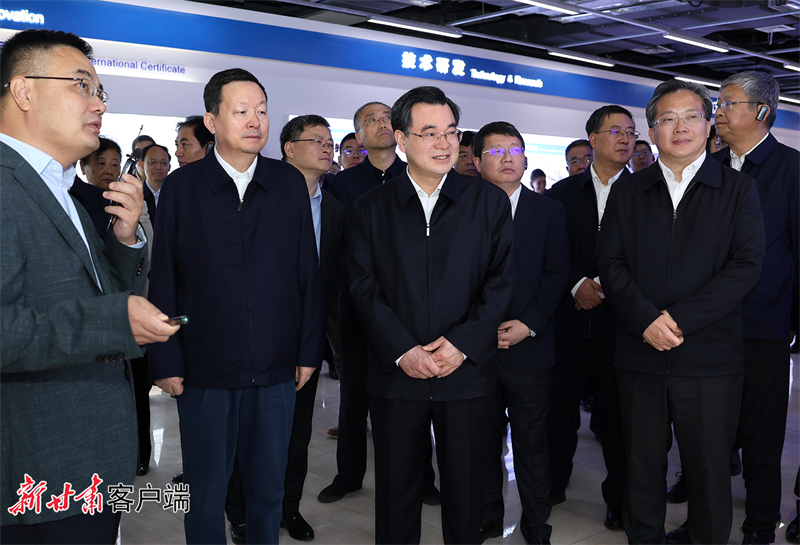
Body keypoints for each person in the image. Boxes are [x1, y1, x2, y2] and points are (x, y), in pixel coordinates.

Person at [0, 28, 178, 542]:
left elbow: (91, 295)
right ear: (23, 91)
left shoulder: (56, 186)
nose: (99, 103)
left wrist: (123, 240)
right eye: (82, 85)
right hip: (39, 467)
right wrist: (113, 321)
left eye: (100, 91)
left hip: (89, 457)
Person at [148, 68, 323, 545]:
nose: (255, 121)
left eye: (262, 111)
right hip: (204, 368)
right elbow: (164, 277)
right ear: (211, 121)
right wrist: (165, 358)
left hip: (276, 367)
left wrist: (308, 350)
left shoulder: (287, 183)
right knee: (205, 493)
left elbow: (307, 273)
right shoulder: (183, 187)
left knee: (267, 491)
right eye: (241, 111)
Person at [597, 79, 765, 545]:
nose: (681, 127)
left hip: (709, 357)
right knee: (641, 466)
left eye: (692, 117)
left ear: (709, 126)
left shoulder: (737, 189)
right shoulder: (629, 191)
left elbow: (745, 266)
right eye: (668, 119)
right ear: (652, 131)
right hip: (640, 353)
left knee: (708, 469)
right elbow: (610, 262)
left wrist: (679, 320)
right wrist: (645, 320)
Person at [347, 85, 514, 544]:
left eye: (451, 132)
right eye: (430, 133)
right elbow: (362, 287)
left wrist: (461, 344)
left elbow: (502, 282)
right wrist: (403, 350)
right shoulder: (371, 208)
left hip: (466, 374)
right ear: (402, 139)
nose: (444, 143)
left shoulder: (488, 202)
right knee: (396, 492)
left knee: (467, 493)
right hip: (397, 375)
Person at [667, 70, 799, 545]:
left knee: (762, 437)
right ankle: (703, 524)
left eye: (727, 103)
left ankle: (759, 527)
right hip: (706, 325)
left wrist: (791, 324)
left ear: (761, 111)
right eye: (717, 104)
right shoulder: (710, 166)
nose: (717, 112)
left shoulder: (791, 169)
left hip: (763, 326)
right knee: (706, 437)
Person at [224, 115, 345, 544]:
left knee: (296, 432)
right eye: (317, 140)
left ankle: (287, 507)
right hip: (257, 333)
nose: (328, 148)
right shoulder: (260, 193)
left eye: (331, 142)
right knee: (246, 431)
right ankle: (240, 511)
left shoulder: (336, 208)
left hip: (307, 337)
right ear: (289, 148)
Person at [473, 122, 569, 545]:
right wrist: (478, 329)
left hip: (530, 347)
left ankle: (536, 526)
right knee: (481, 442)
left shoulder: (548, 210)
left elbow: (556, 274)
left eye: (514, 150)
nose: (508, 158)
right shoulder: (461, 208)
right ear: (477, 162)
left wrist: (528, 324)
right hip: (476, 348)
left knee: (532, 444)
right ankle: (488, 517)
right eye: (496, 152)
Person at [545, 105, 634, 530]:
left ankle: (619, 499)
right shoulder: (562, 193)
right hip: (566, 322)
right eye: (615, 131)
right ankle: (551, 484)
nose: (625, 138)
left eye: (631, 132)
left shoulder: (646, 190)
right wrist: (577, 282)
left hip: (621, 327)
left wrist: (601, 285)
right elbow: (549, 251)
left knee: (618, 421)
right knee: (558, 412)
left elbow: (649, 256)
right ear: (593, 139)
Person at [318, 100, 406, 502]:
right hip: (356, 306)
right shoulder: (343, 185)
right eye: (371, 120)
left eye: (387, 117)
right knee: (354, 395)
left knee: (408, 399)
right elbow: (337, 248)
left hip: (408, 310)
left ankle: (419, 477)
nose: (381, 124)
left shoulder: (415, 175)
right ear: (359, 135)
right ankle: (349, 475)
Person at [71, 136, 121, 237]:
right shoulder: (71, 200)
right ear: (82, 167)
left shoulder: (127, 202)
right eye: (101, 163)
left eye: (114, 165)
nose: (109, 171)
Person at [140, 143, 171, 224]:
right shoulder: (137, 195)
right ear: (142, 165)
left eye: (163, 162)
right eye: (153, 162)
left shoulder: (176, 195)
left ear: (169, 167)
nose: (158, 167)